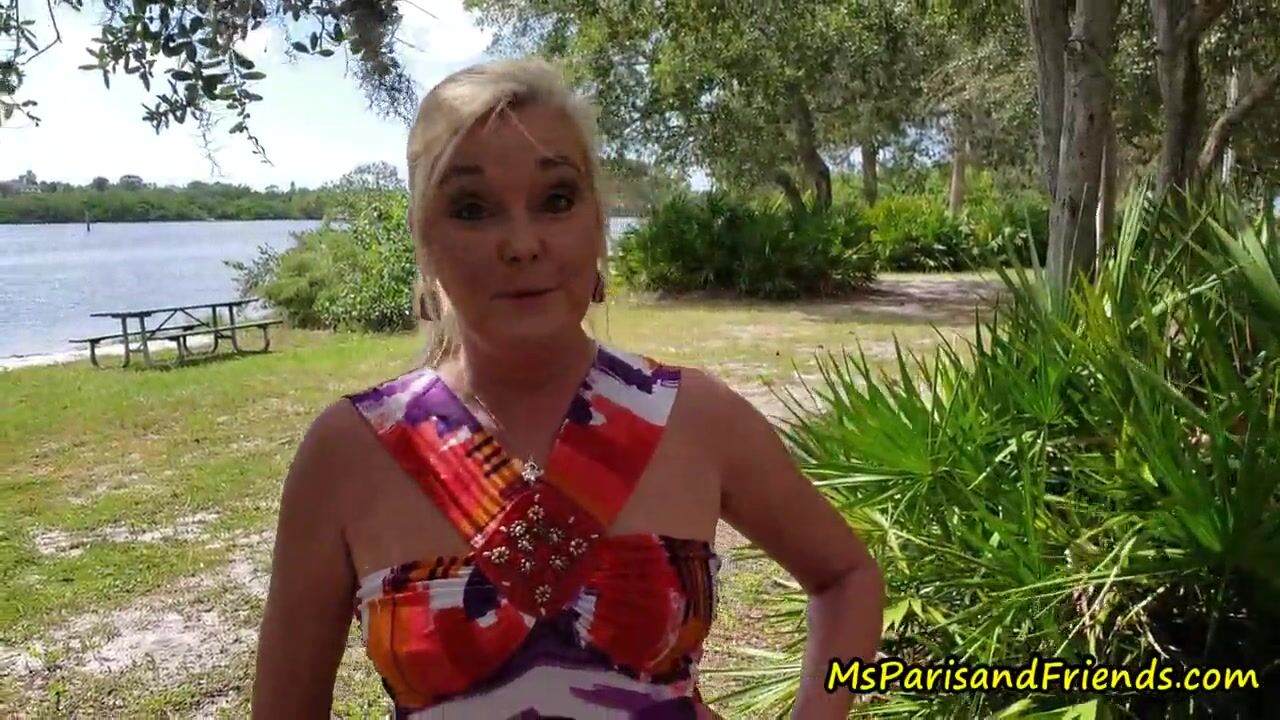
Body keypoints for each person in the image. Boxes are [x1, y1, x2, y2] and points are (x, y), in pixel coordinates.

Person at [251, 57, 883, 719]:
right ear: (425, 238)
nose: (522, 244)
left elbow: (846, 577)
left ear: (597, 224)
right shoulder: (350, 452)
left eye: (556, 200)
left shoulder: (697, 418)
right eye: (472, 209)